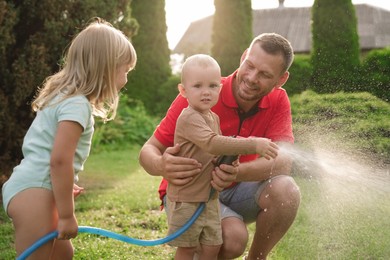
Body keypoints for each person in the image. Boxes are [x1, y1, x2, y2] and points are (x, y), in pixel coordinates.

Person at [139, 32, 301, 260]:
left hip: (234, 188)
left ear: (281, 80)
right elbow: (149, 149)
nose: (252, 78)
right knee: (232, 241)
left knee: (287, 190)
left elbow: (283, 161)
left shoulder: (278, 100)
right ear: (244, 56)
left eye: (265, 74)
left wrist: (236, 173)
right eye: (250, 65)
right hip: (190, 191)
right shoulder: (201, 92)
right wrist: (160, 164)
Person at [2, 18, 137, 259]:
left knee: (63, 254)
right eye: (125, 70)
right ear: (104, 67)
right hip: (36, 191)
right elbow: (60, 161)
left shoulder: (64, 96)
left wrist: (62, 186)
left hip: (32, 186)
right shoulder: (77, 105)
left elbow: (46, 150)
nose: (126, 80)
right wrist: (66, 214)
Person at [167, 54, 279, 260]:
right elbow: (211, 142)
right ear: (183, 91)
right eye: (197, 86)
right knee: (188, 248)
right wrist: (252, 144)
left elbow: (216, 152)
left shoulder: (212, 117)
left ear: (220, 87)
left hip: (209, 198)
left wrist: (231, 160)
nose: (206, 92)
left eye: (212, 86)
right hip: (188, 198)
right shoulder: (189, 117)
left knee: (213, 244)